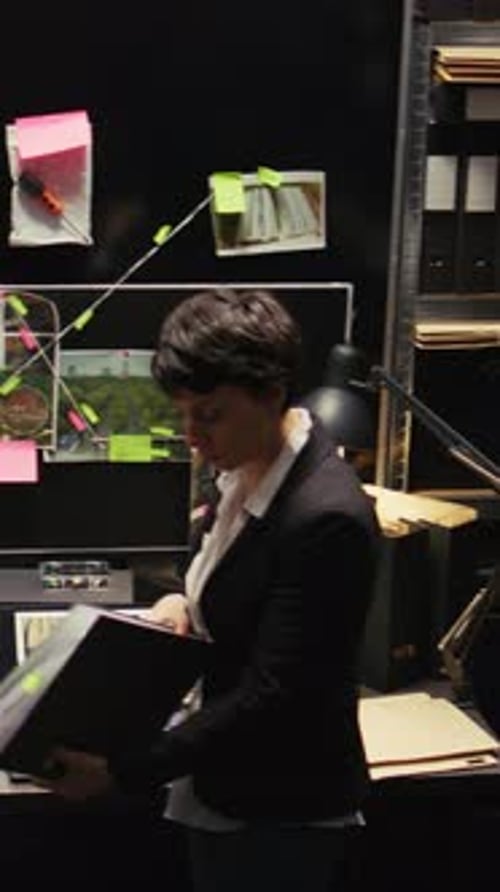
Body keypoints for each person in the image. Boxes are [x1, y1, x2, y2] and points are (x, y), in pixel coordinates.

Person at [42, 288, 381, 892]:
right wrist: (182, 602)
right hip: (224, 788)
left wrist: (122, 772)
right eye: (183, 411)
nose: (191, 433)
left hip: (278, 812)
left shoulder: (325, 518)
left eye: (210, 412)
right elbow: (221, 573)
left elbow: (275, 695)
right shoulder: (243, 469)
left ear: (272, 392)